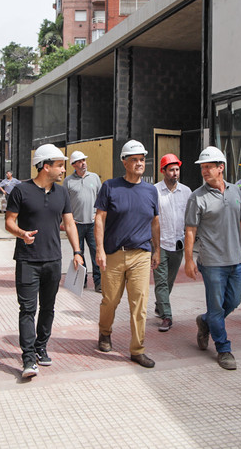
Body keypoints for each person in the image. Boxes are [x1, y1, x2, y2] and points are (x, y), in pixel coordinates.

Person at [5, 144, 84, 379]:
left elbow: (69, 224)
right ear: (45, 166)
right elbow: (9, 221)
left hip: (53, 260)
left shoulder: (62, 193)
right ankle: (28, 357)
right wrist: (22, 234)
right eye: (59, 165)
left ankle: (41, 346)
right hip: (27, 260)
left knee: (48, 308)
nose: (63, 169)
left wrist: (77, 251)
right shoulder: (21, 191)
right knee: (27, 309)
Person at [184, 146, 241, 371]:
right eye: (202, 168)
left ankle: (204, 322)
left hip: (235, 260)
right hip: (212, 263)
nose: (204, 171)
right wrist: (189, 260)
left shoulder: (235, 191)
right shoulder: (197, 197)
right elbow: (190, 230)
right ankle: (223, 349)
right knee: (216, 309)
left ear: (220, 167)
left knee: (233, 302)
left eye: (208, 167)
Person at [94, 139, 159, 368]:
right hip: (114, 254)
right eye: (135, 160)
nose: (140, 163)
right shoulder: (110, 186)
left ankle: (137, 349)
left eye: (142, 160)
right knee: (110, 301)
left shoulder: (151, 190)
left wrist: (157, 249)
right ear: (124, 162)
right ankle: (104, 332)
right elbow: (100, 219)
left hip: (141, 254)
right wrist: (100, 249)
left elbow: (155, 222)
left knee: (140, 303)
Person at [153, 154, 191, 332]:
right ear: (163, 171)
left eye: (177, 170)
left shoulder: (186, 192)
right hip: (160, 244)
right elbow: (150, 219)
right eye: (171, 170)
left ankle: (160, 304)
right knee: (160, 282)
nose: (175, 173)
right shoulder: (154, 191)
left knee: (169, 281)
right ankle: (167, 316)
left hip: (178, 244)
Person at [64, 150, 102, 292]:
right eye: (79, 161)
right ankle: (82, 280)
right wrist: (68, 220)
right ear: (74, 165)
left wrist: (97, 214)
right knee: (78, 253)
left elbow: (102, 198)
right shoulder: (68, 181)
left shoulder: (94, 178)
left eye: (84, 160)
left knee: (95, 253)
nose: (83, 163)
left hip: (93, 225)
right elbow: (64, 202)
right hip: (76, 225)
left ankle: (99, 282)